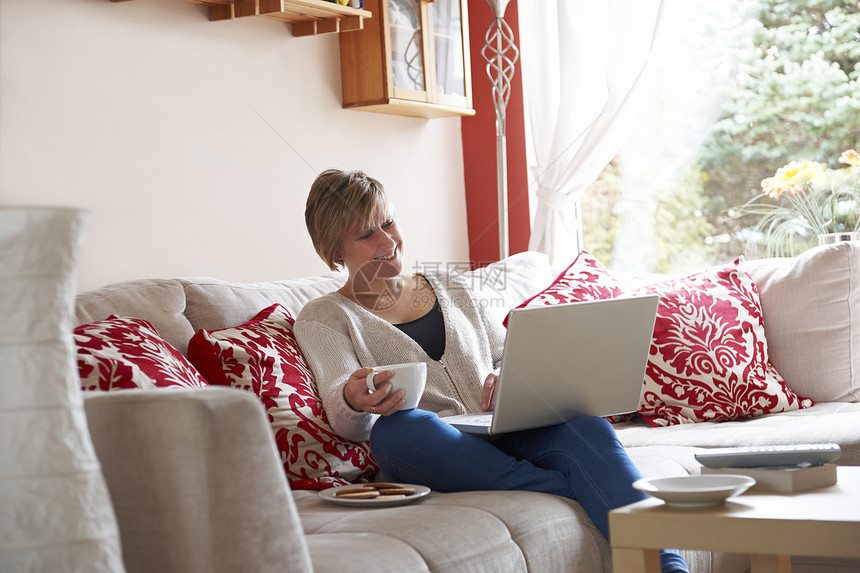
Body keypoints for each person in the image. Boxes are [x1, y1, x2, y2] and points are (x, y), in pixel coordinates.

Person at [294, 169, 689, 573]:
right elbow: (341, 410)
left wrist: (507, 377)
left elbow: (504, 357)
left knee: (589, 428)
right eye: (365, 235)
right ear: (335, 248)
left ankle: (669, 567)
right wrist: (353, 398)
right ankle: (571, 485)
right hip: (439, 445)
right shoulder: (324, 317)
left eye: (389, 223)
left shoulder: (452, 286)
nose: (387, 241)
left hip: (505, 428)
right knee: (397, 431)